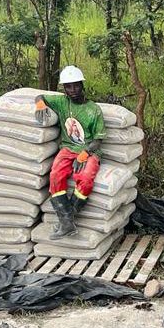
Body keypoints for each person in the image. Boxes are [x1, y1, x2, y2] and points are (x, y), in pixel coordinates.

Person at [34, 65, 105, 239]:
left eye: (76, 85)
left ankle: (67, 220)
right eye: (68, 86)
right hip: (67, 149)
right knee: (55, 176)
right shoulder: (61, 102)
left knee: (86, 179)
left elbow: (98, 139)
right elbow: (39, 95)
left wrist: (86, 153)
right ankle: (67, 223)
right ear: (64, 89)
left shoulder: (93, 110)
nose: (72, 90)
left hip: (88, 151)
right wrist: (40, 104)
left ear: (82, 85)